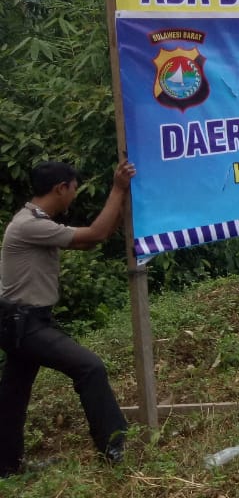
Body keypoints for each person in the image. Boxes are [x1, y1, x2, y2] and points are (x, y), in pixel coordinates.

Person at [1, 161, 135, 477]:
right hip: (25, 324)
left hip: (21, 322)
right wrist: (117, 188)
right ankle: (113, 448)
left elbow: (90, 241)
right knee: (90, 368)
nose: (74, 196)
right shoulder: (28, 225)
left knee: (12, 395)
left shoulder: (35, 220)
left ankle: (7, 466)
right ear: (61, 188)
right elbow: (96, 233)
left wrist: (119, 206)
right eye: (74, 189)